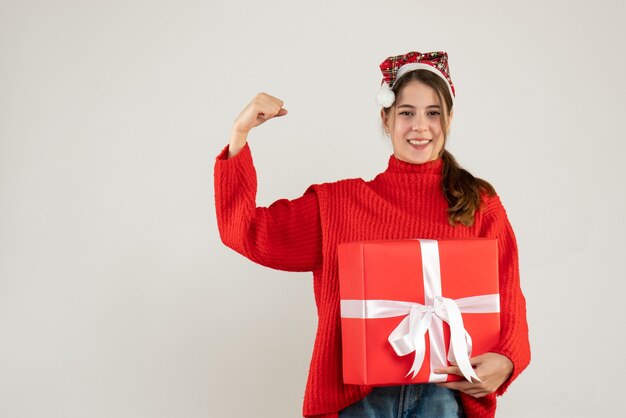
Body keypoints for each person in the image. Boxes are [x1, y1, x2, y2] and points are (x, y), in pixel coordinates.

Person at [214, 51, 530, 418]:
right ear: (386, 117)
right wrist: (240, 134)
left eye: (433, 113)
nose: (420, 126)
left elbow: (508, 291)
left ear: (449, 118)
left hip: (444, 398)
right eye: (407, 112)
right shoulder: (339, 205)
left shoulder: (478, 204)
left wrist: (507, 360)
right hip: (356, 403)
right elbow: (247, 233)